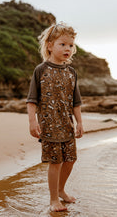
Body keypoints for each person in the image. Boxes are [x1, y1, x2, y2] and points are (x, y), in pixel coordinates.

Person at [26, 22, 84, 212]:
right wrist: (32, 121)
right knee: (56, 161)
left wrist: (80, 123)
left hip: (67, 125)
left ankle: (61, 190)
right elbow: (32, 100)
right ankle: (53, 200)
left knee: (70, 159)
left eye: (70, 45)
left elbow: (76, 101)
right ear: (50, 45)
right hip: (49, 126)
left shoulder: (71, 72)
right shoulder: (40, 70)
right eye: (63, 44)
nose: (68, 48)